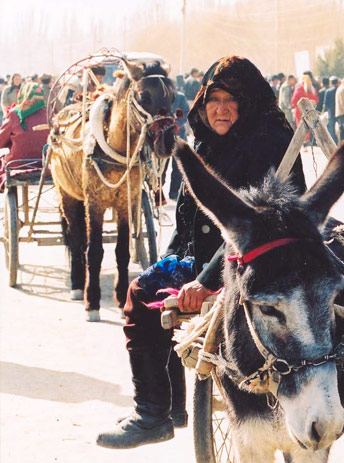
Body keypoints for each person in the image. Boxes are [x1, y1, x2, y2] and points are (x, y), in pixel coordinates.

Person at [95, 55, 306, 449]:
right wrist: (168, 269)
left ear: (249, 104)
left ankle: (161, 409)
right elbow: (187, 222)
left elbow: (252, 231)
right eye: (214, 98)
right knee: (144, 293)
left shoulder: (268, 145)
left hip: (259, 264)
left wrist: (205, 283)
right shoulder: (206, 145)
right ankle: (159, 412)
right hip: (208, 261)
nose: (221, 109)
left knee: (156, 295)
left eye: (232, 99)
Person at [0, 82, 49, 192]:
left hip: (17, 164)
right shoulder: (49, 113)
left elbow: (1, 141)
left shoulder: (14, 114)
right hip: (45, 163)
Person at [167, 89, 191, 200]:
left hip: (178, 136)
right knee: (160, 169)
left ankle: (173, 193)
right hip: (163, 138)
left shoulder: (180, 97)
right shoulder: (160, 97)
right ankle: (157, 192)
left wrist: (175, 125)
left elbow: (186, 113)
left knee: (177, 167)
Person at [291, 73, 319, 145]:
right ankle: (307, 141)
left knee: (300, 127)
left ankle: (302, 143)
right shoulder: (313, 89)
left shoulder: (299, 88)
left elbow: (293, 101)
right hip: (310, 111)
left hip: (299, 111)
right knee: (310, 126)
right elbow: (316, 100)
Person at [323, 76, 340, 143]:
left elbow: (325, 103)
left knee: (331, 128)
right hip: (339, 111)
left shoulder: (328, 91)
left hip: (331, 112)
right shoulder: (340, 90)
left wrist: (323, 111)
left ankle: (334, 142)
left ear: (331, 82)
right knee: (340, 127)